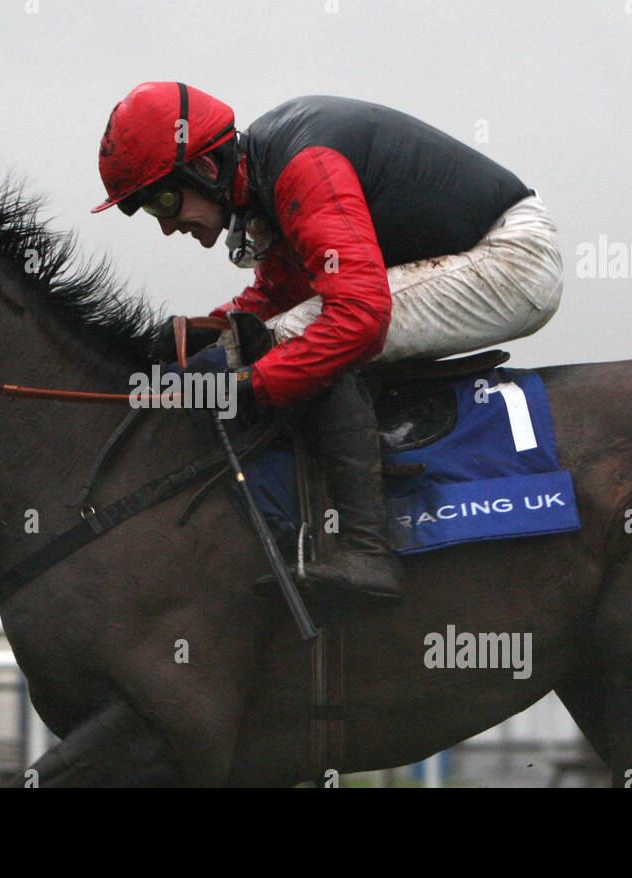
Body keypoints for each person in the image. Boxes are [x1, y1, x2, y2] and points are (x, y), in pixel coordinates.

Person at [93, 83, 562, 600]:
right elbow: (280, 291)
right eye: (143, 210)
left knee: (295, 339)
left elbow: (358, 317)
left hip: (511, 261)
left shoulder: (302, 166)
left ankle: (366, 550)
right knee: (268, 337)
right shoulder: (265, 169)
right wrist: (207, 333)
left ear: (205, 169)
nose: (165, 228)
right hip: (474, 251)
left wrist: (257, 385)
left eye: (161, 201)